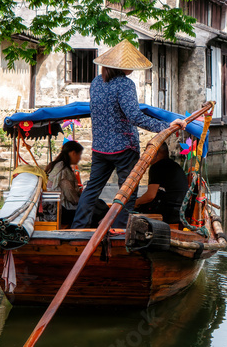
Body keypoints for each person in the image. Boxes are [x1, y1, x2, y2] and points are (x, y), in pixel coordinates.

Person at [70, 40, 185, 229]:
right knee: (128, 190)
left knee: (92, 189)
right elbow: (135, 117)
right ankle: (121, 228)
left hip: (100, 147)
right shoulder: (125, 84)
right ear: (123, 67)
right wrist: (166, 126)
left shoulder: (97, 82)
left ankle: (77, 227)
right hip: (124, 147)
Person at [134, 145, 189, 225]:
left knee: (132, 208)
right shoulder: (174, 165)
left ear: (155, 153)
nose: (145, 155)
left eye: (148, 152)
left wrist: (136, 203)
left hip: (171, 214)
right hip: (182, 211)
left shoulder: (157, 167)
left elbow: (150, 196)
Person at [45, 141, 84, 227]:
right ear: (73, 153)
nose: (80, 158)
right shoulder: (63, 170)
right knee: (93, 210)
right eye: (79, 155)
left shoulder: (54, 165)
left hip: (52, 208)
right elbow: (71, 196)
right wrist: (83, 201)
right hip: (62, 210)